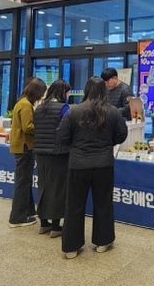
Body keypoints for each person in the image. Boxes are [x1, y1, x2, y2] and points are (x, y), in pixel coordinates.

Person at [58, 77, 128, 259]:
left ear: (86, 89)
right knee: (103, 204)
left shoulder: (74, 111)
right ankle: (103, 242)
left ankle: (71, 246)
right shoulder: (113, 112)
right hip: (104, 164)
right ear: (104, 91)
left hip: (78, 164)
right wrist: (108, 142)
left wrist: (76, 145)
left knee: (74, 205)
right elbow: (121, 135)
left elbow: (62, 136)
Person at [33, 79, 72, 237]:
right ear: (63, 92)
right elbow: (68, 129)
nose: (68, 95)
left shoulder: (39, 107)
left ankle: (43, 224)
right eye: (68, 92)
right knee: (58, 189)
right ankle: (56, 227)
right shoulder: (63, 108)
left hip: (40, 153)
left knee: (43, 186)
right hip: (58, 153)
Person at [8, 77, 47, 228]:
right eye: (41, 92)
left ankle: (29, 211)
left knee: (24, 181)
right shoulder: (26, 105)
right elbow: (28, 127)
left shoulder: (22, 102)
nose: (42, 96)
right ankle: (17, 218)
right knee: (22, 183)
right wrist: (43, 127)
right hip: (24, 147)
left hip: (21, 146)